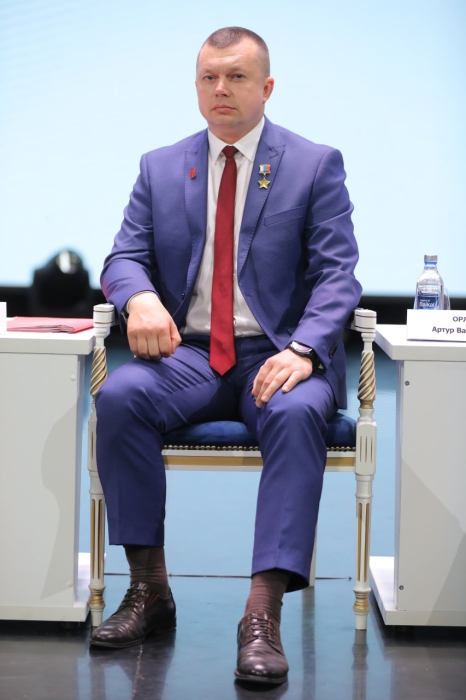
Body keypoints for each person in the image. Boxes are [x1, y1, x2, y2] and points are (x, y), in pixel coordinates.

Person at [90, 26, 362, 685]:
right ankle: (149, 589)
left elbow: (338, 274)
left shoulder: (313, 163)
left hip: (278, 353)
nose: (221, 88)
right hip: (190, 355)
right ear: (196, 86)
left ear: (266, 87)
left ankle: (261, 614)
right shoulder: (161, 166)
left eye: (236, 76)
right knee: (120, 397)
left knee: (297, 413)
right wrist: (139, 298)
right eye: (209, 77)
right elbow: (124, 257)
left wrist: (305, 348)